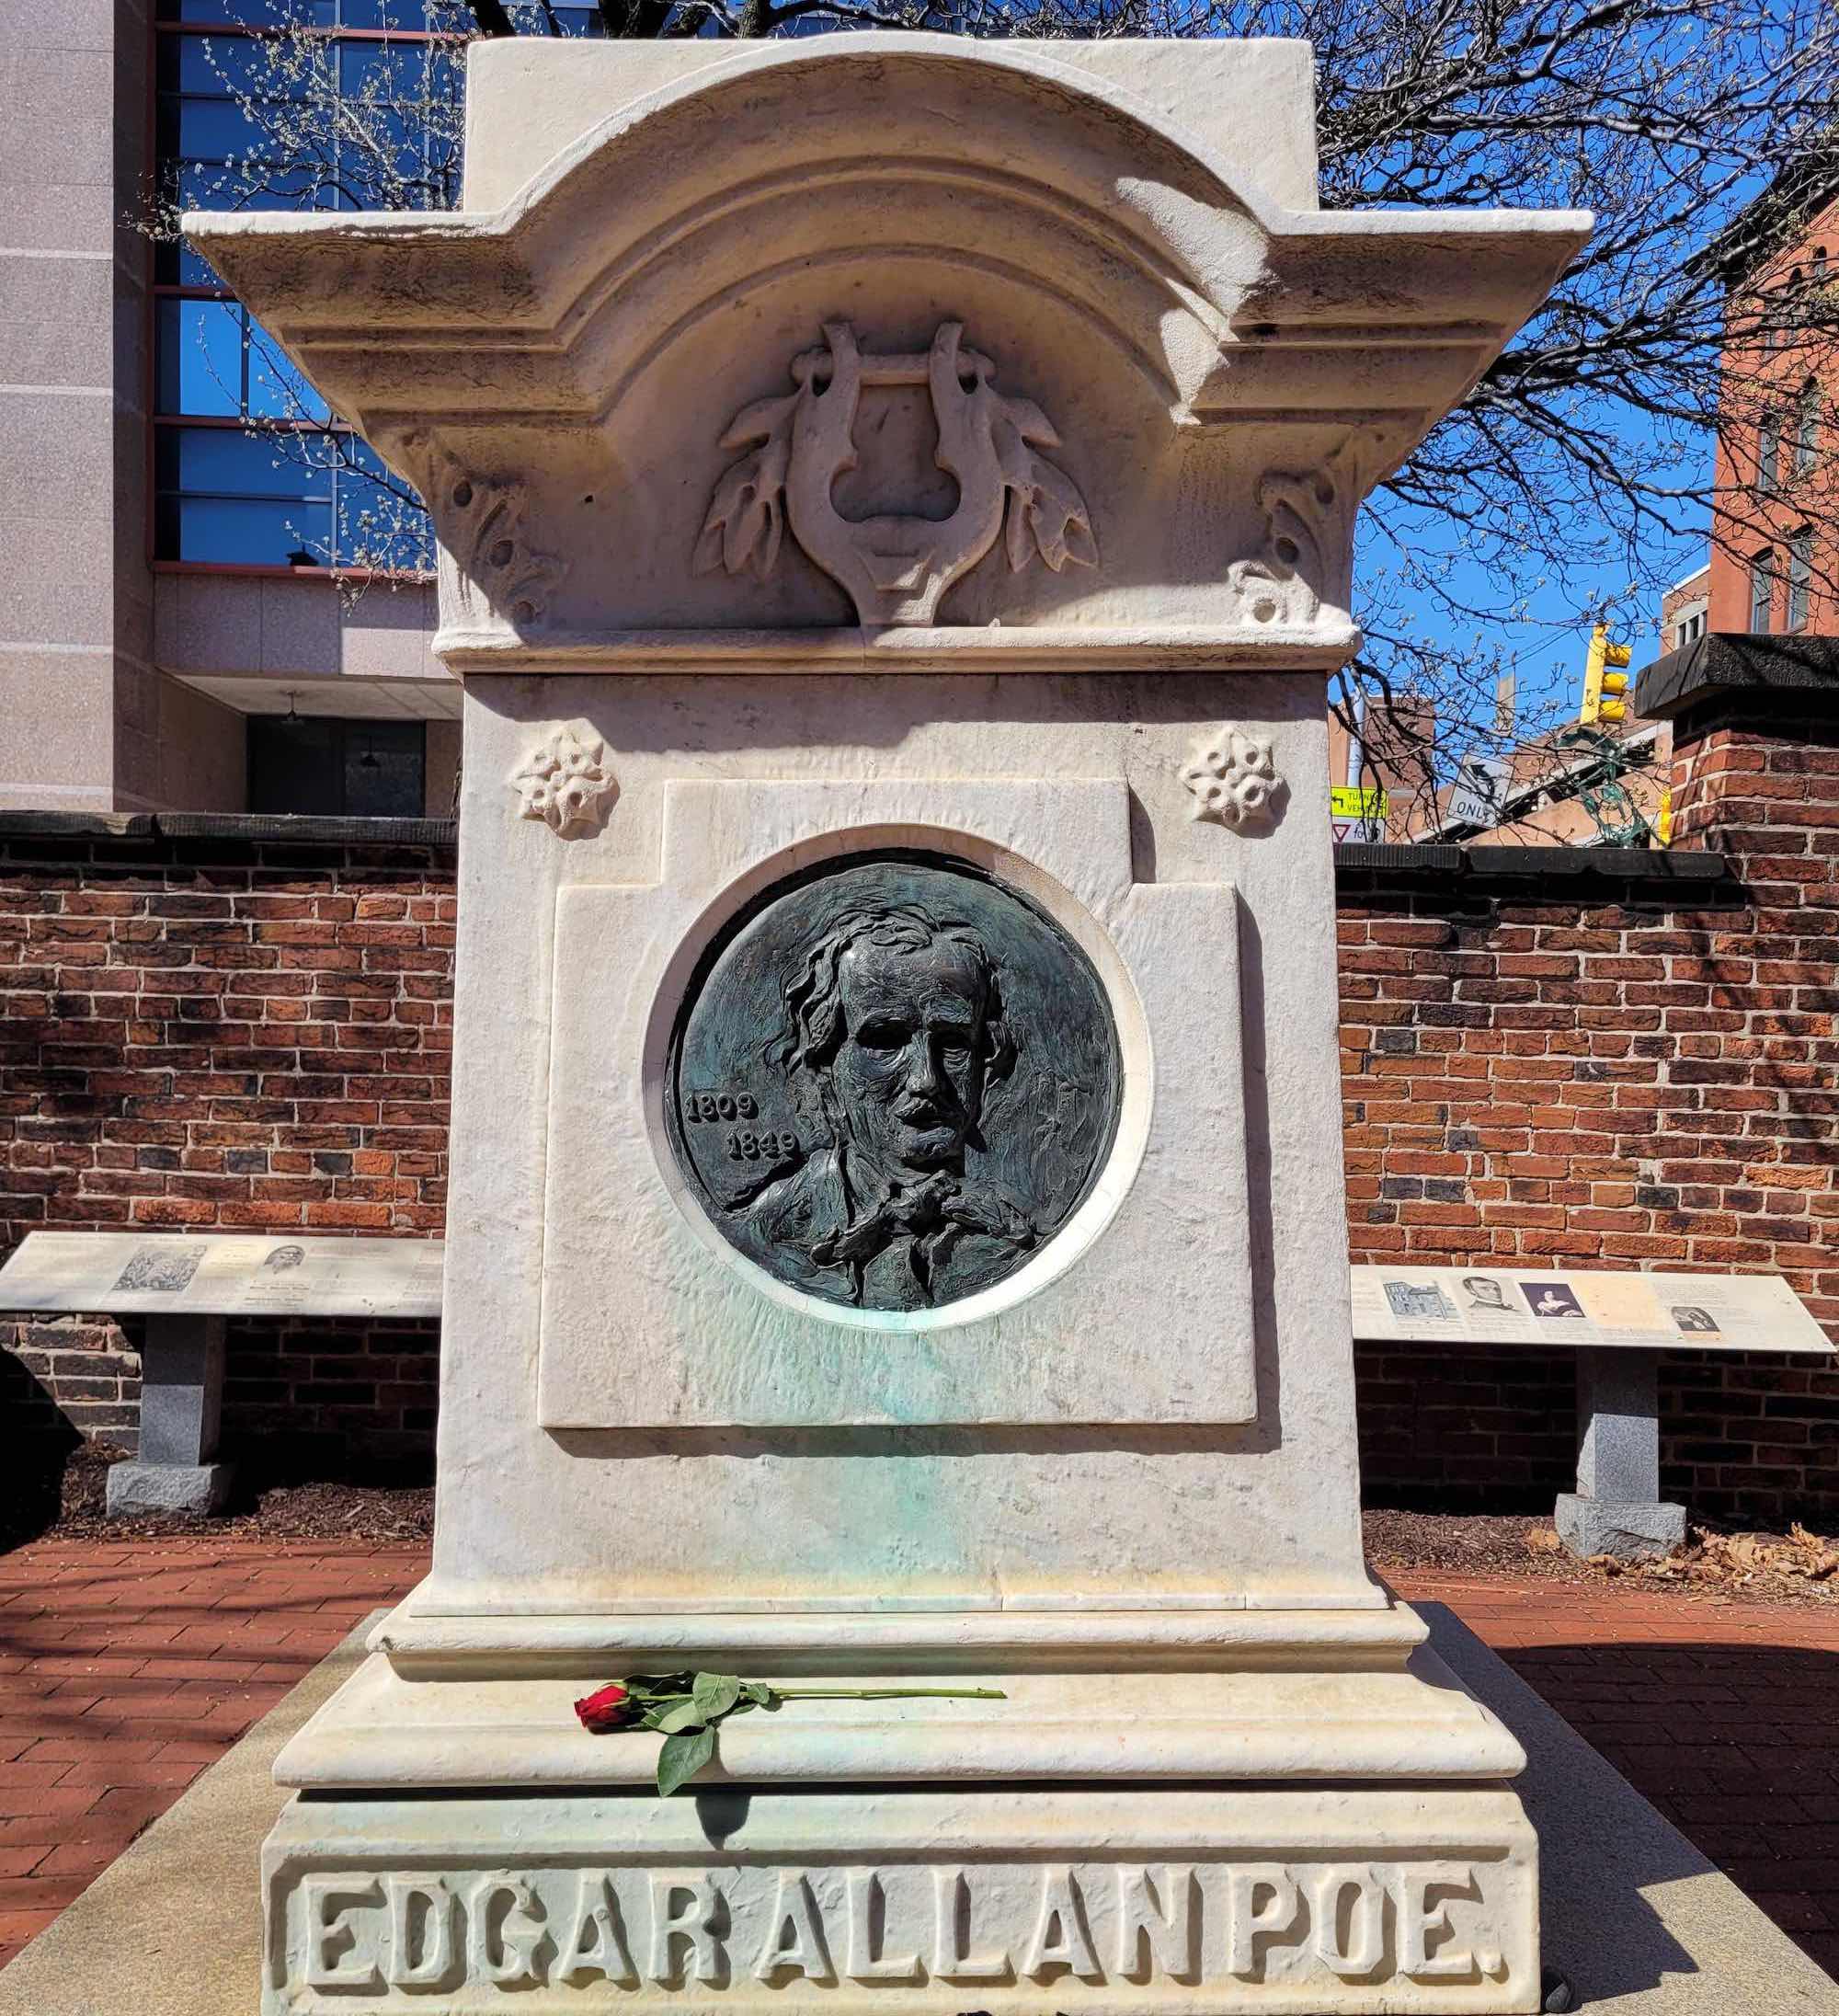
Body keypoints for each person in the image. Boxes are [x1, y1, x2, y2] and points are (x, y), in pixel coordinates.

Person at [734, 906, 1037, 1310]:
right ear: (826, 1066)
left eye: (952, 1043)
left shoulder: (1012, 1231)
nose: (926, 1079)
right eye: (885, 1041)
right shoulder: (773, 1230)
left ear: (987, 1059)